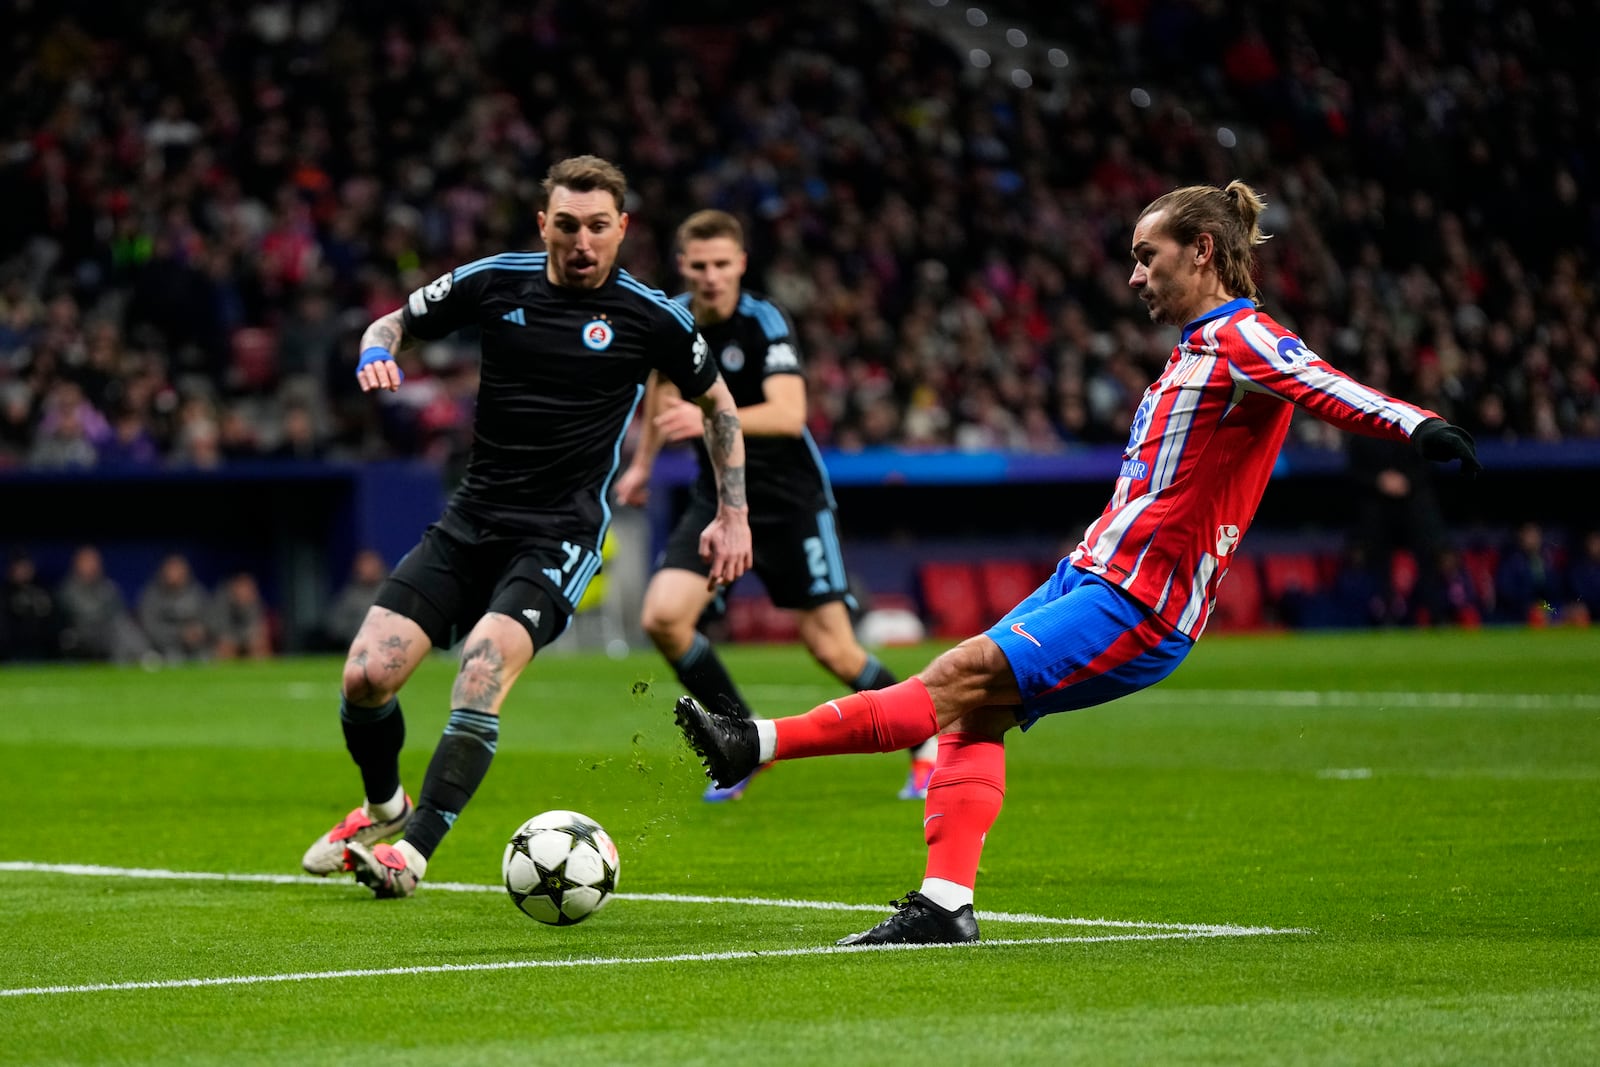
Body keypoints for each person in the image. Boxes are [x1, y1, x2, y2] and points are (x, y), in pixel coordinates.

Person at [672, 181, 1482, 946]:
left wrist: (1418, 427)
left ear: (1201, 251)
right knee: (972, 713)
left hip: (1139, 601)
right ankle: (946, 905)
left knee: (954, 676)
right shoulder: (1200, 346)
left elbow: (1320, 384)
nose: (1134, 276)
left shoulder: (1245, 335)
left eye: (1146, 255)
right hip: (1093, 577)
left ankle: (755, 741)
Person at [302, 155, 752, 899]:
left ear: (622, 229)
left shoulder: (651, 317)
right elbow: (392, 322)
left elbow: (720, 406)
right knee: (365, 676)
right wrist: (376, 350)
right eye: (567, 225)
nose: (582, 242)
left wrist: (733, 514)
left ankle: (412, 852)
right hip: (472, 519)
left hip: (560, 533)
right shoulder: (496, 279)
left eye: (598, 227)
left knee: (481, 668)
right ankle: (385, 806)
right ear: (543, 223)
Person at [614, 210, 936, 802]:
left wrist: (711, 413)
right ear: (684, 266)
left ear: (739, 264)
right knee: (663, 618)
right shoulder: (674, 318)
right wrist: (640, 464)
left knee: (834, 650)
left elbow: (790, 416)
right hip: (716, 500)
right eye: (699, 266)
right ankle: (742, 741)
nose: (711, 277)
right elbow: (661, 386)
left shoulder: (763, 321)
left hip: (788, 504)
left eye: (721, 265)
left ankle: (926, 744)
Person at [56, 544, 151, 662]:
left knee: (121, 623)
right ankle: (141, 655)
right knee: (117, 626)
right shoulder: (69, 588)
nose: (92, 565)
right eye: (87, 561)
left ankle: (134, 657)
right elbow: (86, 615)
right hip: (81, 632)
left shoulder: (106, 586)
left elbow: (120, 609)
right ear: (77, 563)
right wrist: (105, 613)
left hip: (107, 631)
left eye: (94, 561)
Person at [137, 552, 211, 661]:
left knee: (206, 658)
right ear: (163, 572)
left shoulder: (197, 593)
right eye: (171, 570)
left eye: (178, 570)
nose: (174, 574)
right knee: (172, 658)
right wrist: (180, 634)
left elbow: (208, 620)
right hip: (162, 647)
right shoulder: (152, 594)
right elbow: (149, 627)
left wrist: (198, 631)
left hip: (195, 646)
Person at [323, 548, 388, 651]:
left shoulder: (390, 589)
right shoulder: (350, 595)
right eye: (364, 566)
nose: (368, 569)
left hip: (388, 643)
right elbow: (336, 625)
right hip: (357, 645)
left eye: (371, 565)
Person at [209, 571, 274, 659]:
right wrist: (231, 641)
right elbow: (219, 631)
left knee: (261, 646)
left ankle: (260, 672)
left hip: (247, 637)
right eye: (243, 587)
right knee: (224, 648)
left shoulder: (255, 602)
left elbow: (258, 628)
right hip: (228, 637)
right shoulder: (222, 602)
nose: (246, 591)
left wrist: (252, 639)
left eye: (250, 588)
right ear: (234, 587)